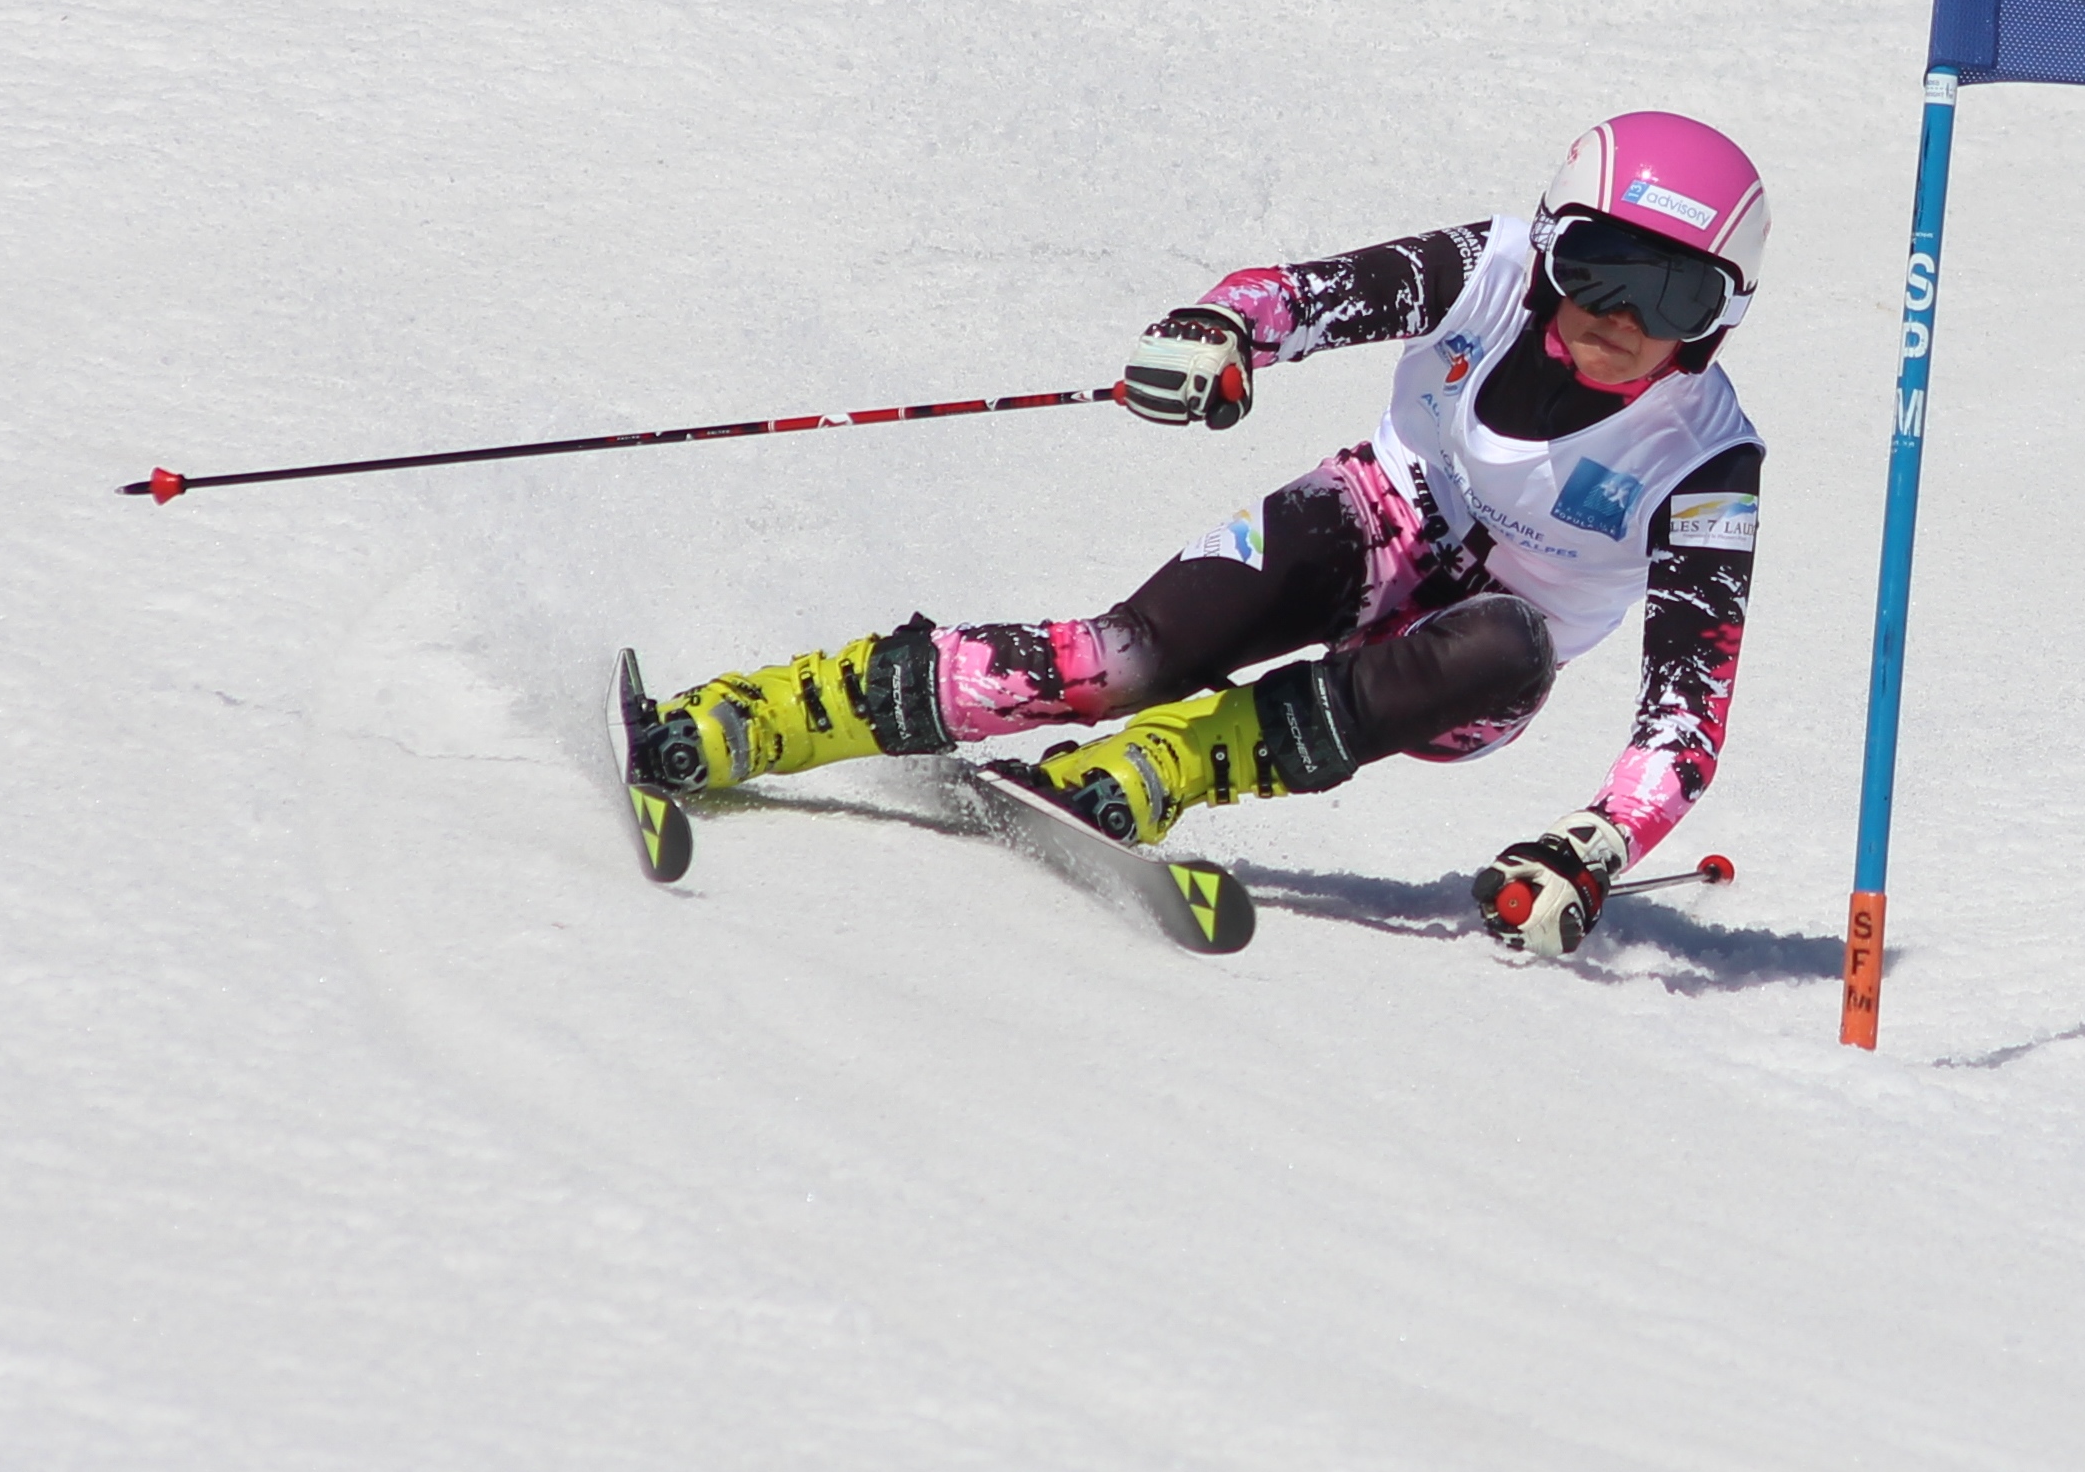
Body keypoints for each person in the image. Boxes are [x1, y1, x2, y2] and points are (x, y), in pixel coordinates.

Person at [628, 112, 1771, 958]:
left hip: (1467, 679)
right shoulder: (1494, 267)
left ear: (1720, 321)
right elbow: (1305, 292)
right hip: (1369, 519)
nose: (1622, 317)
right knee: (1126, 654)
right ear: (1555, 249)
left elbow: (1686, 714)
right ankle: (752, 717)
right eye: (1600, 269)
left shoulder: (1707, 461)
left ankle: (1163, 768)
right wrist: (1222, 330)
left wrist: (1592, 844)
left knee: (1508, 641)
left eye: (1673, 297)